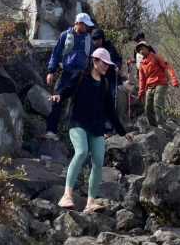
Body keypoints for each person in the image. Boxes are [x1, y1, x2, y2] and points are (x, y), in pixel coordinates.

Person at [51, 48, 132, 214]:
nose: (106, 67)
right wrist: (58, 95)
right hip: (77, 123)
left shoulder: (105, 83)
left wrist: (123, 133)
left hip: (96, 128)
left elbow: (110, 111)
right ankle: (67, 195)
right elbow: (67, 88)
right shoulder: (81, 76)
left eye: (108, 64)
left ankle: (90, 202)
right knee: (81, 152)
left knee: (98, 161)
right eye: (104, 63)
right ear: (95, 61)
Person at [45, 12, 95, 140]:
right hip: (66, 73)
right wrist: (51, 71)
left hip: (81, 75)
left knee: (80, 104)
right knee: (57, 99)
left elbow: (93, 58)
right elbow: (56, 54)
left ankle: (76, 136)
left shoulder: (89, 39)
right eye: (85, 25)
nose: (87, 28)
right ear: (78, 23)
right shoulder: (65, 35)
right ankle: (51, 131)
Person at [136, 41, 180, 127]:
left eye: (142, 48)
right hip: (149, 86)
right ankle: (154, 127)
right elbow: (142, 79)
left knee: (157, 105)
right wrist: (141, 93)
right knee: (147, 108)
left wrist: (173, 80)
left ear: (148, 48)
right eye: (139, 49)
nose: (141, 50)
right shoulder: (141, 64)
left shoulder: (156, 57)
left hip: (160, 83)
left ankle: (162, 125)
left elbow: (167, 67)